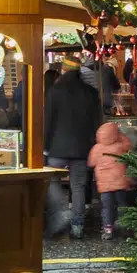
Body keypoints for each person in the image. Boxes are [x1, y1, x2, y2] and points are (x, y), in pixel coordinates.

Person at [45, 56, 102, 239]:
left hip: (57, 148)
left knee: (50, 180)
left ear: (64, 70)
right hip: (82, 148)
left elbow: (48, 121)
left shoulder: (55, 91)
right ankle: (78, 225)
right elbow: (97, 122)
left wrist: (45, 146)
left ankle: (60, 212)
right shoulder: (91, 93)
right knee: (78, 186)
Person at [88, 122, 134, 241]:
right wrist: (120, 136)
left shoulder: (96, 148)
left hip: (104, 186)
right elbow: (129, 146)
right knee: (122, 205)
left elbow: (91, 162)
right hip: (120, 183)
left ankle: (108, 230)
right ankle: (126, 227)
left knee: (107, 207)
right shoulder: (120, 146)